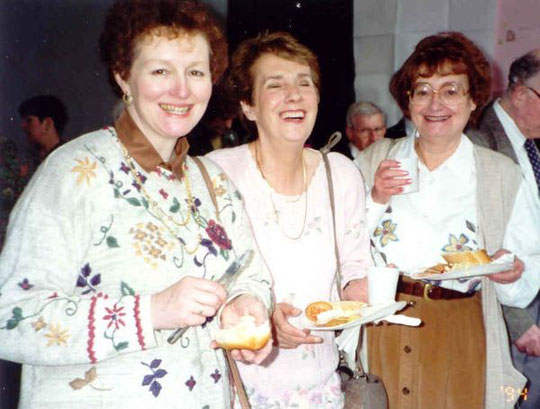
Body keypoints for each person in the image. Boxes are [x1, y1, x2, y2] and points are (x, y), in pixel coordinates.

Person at [0, 1, 273, 408]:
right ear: (123, 76)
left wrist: (246, 306)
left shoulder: (212, 181)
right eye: (161, 70)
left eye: (195, 72)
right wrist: (151, 311)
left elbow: (249, 272)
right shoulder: (74, 172)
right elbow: (11, 318)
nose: (181, 89)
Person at [356, 32, 540, 409]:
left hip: (459, 329)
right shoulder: (373, 161)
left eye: (451, 90)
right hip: (382, 327)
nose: (435, 103)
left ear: (474, 99)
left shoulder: (501, 174)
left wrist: (511, 272)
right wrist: (375, 199)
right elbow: (341, 244)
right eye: (422, 90)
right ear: (408, 101)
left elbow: (527, 267)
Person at [207, 32, 372, 408]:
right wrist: (261, 317)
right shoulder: (217, 174)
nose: (294, 95)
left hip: (320, 385)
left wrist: (372, 295)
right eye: (275, 85)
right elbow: (204, 277)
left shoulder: (341, 173)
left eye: (304, 83)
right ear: (248, 105)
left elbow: (356, 267)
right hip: (237, 387)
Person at [473, 49, 540, 409]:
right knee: (517, 399)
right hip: (514, 311)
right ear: (520, 94)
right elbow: (480, 243)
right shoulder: (479, 142)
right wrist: (519, 323)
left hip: (533, 291)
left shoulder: (528, 145)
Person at [18, 94, 68, 161]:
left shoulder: (66, 157)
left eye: (29, 121)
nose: (23, 126)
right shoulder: (29, 158)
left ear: (47, 123)